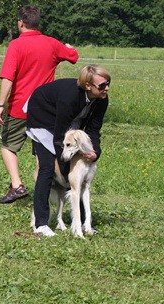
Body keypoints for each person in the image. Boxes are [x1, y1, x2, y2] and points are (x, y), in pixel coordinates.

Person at [0, 5, 79, 204]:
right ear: (37, 23)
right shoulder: (51, 43)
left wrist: (0, 104)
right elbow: (73, 57)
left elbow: (8, 77)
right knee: (43, 151)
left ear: (20, 23)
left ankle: (17, 185)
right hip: (46, 109)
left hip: (19, 107)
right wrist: (68, 48)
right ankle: (48, 186)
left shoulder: (16, 45)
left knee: (7, 146)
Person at [26, 64, 111, 236]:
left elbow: (93, 130)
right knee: (47, 168)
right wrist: (66, 171)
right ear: (88, 86)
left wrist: (95, 154)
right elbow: (59, 137)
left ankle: (81, 224)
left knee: (75, 172)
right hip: (43, 117)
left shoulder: (102, 99)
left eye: (108, 83)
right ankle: (41, 224)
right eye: (102, 85)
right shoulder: (69, 97)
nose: (107, 88)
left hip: (66, 122)